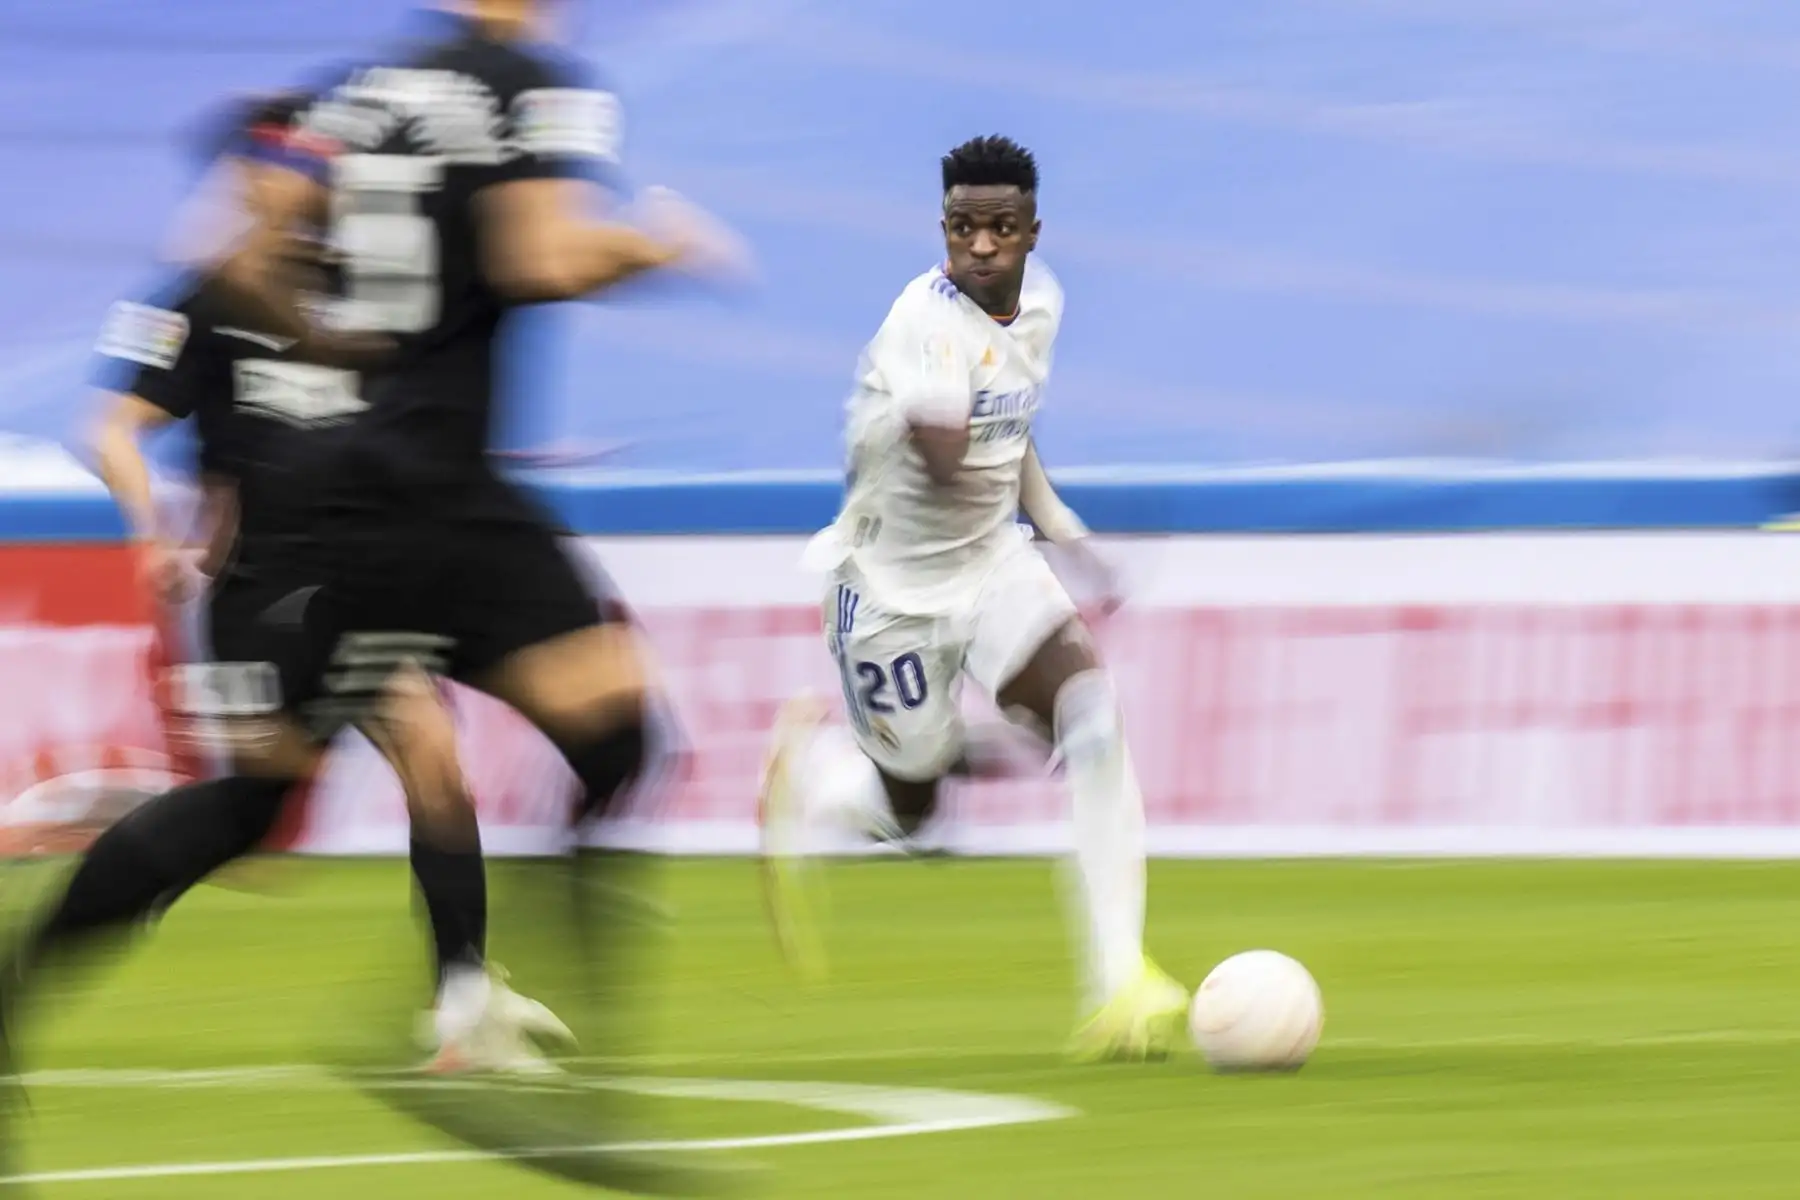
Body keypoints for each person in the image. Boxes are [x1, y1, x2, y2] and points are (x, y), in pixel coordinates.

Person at [83, 92, 571, 1074]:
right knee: (259, 820)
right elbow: (112, 427)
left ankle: (463, 998)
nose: (315, 182)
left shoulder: (372, 294)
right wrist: (151, 528)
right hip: (259, 593)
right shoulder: (203, 301)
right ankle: (119, 870)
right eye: (293, 164)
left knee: (430, 754)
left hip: (360, 583)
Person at [759, 135, 1188, 1062]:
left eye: (1000, 227)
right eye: (963, 227)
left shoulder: (1043, 307)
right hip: (888, 594)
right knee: (910, 810)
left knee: (1093, 717)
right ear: (942, 230)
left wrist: (1066, 537)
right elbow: (948, 451)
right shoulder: (922, 322)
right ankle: (822, 781)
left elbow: (1011, 433)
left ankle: (1121, 983)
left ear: (1033, 230)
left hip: (993, 565)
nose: (982, 245)